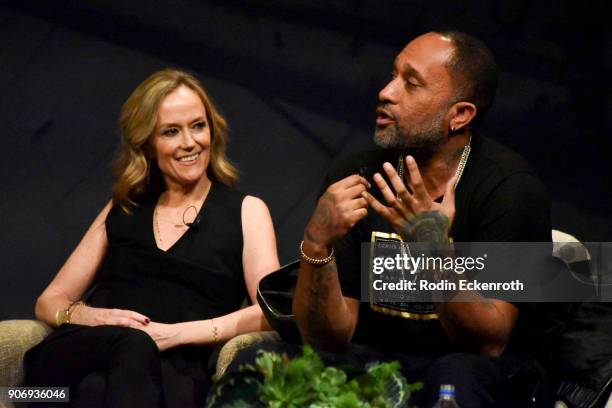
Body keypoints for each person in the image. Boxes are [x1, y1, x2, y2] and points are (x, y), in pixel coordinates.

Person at [293, 31, 565, 407]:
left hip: (481, 373)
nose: (386, 92)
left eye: (411, 84)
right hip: (381, 362)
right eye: (393, 76)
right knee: (300, 369)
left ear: (460, 115)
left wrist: (432, 249)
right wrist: (315, 241)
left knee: (454, 377)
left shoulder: (511, 189)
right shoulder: (356, 175)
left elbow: (490, 341)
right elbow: (328, 339)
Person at [24, 69, 280, 407]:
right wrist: (94, 316)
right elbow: (49, 301)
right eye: (171, 132)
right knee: (123, 350)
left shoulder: (247, 211)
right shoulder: (125, 206)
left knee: (99, 391)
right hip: (68, 369)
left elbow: (270, 310)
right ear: (147, 144)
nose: (189, 142)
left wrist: (177, 334)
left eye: (198, 126)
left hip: (169, 373)